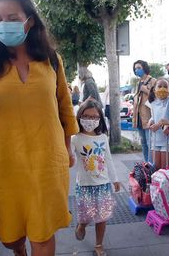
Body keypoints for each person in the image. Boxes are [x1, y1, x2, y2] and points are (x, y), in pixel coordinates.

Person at [0, 0, 79, 255]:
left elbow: (65, 107)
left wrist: (67, 146)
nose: (4, 23)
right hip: (6, 162)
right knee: (11, 236)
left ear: (29, 21)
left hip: (47, 160)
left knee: (42, 233)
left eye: (11, 17)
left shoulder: (51, 60)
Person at [71, 99, 120, 256]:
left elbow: (109, 160)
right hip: (84, 185)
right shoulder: (75, 138)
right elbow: (69, 158)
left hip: (103, 185)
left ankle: (99, 244)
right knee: (86, 215)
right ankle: (82, 225)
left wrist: (115, 179)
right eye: (86, 116)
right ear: (79, 117)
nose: (90, 120)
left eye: (94, 117)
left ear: (99, 118)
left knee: (101, 217)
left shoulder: (102, 138)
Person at [148, 78, 169, 170]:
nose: (162, 89)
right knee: (156, 167)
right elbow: (153, 116)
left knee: (165, 168)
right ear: (154, 89)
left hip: (166, 139)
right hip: (155, 138)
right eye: (159, 86)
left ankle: (165, 184)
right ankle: (156, 184)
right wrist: (150, 121)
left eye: (165, 86)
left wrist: (165, 125)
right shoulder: (153, 103)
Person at [132, 60, 156, 162]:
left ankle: (150, 165)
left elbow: (156, 95)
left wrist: (145, 89)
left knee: (150, 143)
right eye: (135, 68)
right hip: (138, 117)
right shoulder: (138, 82)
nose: (137, 70)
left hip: (148, 116)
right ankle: (146, 164)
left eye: (139, 68)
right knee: (143, 143)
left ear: (144, 68)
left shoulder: (153, 81)